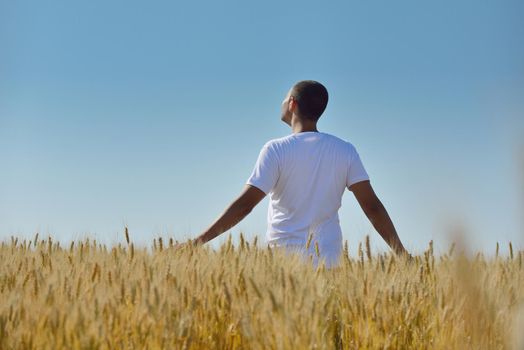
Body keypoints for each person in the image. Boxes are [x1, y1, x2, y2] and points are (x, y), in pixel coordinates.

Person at [177, 80, 410, 268]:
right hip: (329, 264)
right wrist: (402, 253)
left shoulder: (276, 149)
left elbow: (244, 205)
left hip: (284, 266)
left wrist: (197, 242)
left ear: (292, 104)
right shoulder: (345, 150)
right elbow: (372, 207)